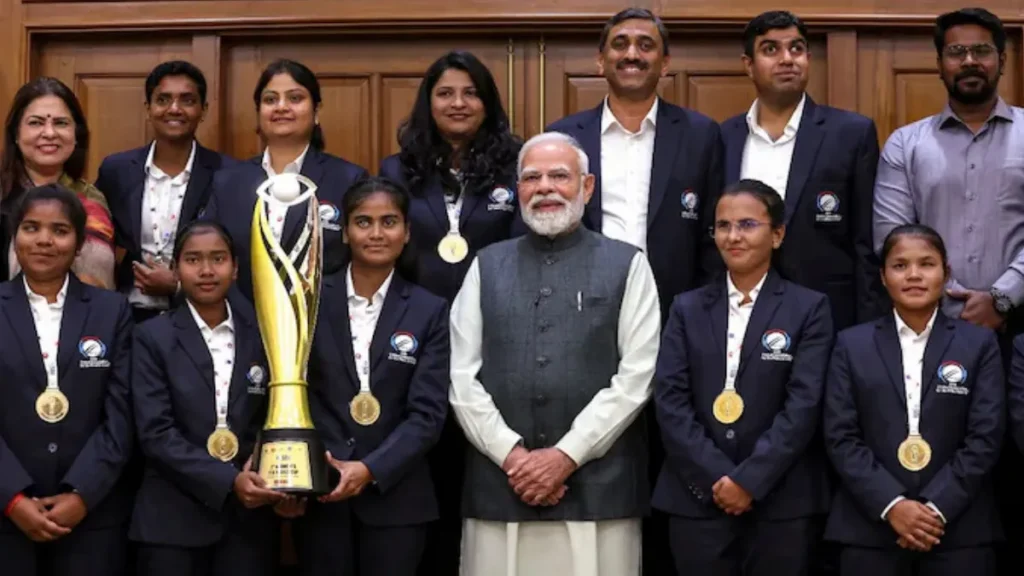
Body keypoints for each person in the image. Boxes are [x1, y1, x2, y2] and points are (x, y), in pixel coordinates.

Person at [545, 12, 722, 571]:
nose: (632, 53)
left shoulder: (700, 134)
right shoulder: (564, 135)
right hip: (584, 324)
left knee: (674, 458)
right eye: (619, 44)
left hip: (678, 321)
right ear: (600, 60)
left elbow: (715, 236)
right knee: (599, 453)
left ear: (665, 63)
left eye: (646, 45)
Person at [449, 132, 661, 576]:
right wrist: (513, 457)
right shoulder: (486, 265)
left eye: (560, 176)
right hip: (500, 482)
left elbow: (637, 376)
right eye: (532, 178)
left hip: (599, 488)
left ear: (586, 187)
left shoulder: (629, 264)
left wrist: (565, 456)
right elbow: (460, 377)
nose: (545, 187)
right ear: (518, 190)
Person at [377, 50, 522, 576]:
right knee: (424, 472)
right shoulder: (398, 168)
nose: (458, 103)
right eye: (445, 93)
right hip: (415, 341)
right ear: (428, 102)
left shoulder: (518, 163)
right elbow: (384, 245)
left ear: (487, 102)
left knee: (483, 471)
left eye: (470, 92)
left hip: (497, 341)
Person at [652, 178, 834, 575]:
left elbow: (804, 405)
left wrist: (750, 480)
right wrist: (717, 476)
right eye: (723, 226)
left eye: (748, 225)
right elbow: (670, 400)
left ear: (778, 234)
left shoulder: (809, 309)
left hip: (781, 500)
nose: (733, 236)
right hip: (697, 498)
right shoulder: (686, 307)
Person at [290, 177, 450, 576]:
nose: (376, 233)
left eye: (389, 222)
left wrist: (371, 468)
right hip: (321, 487)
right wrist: (326, 463)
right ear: (344, 231)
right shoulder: (307, 300)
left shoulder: (430, 310)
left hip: (398, 497)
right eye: (363, 222)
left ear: (407, 231)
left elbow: (427, 415)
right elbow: (296, 394)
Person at [823, 224, 1005, 575]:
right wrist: (893, 506)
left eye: (927, 264)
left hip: (959, 529)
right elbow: (840, 436)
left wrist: (935, 509)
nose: (914, 275)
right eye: (900, 265)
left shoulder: (978, 345)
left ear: (946, 273)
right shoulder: (851, 344)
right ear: (883, 276)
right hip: (871, 528)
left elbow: (986, 436)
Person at [128, 220, 284, 576]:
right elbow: (155, 433)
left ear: (236, 268)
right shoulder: (151, 337)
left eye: (218, 258)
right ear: (176, 269)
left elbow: (273, 418)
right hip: (172, 518)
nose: (207, 270)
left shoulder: (265, 334)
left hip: (249, 520)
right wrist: (228, 481)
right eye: (193, 260)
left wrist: (269, 472)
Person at [0, 184, 134, 576]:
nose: (44, 240)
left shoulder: (113, 311)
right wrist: (12, 498)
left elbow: (123, 415)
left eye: (59, 230)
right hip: (6, 515)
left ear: (79, 244)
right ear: (15, 238)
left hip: (92, 516)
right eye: (31, 228)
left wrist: (82, 493)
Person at [721, 11, 883, 331]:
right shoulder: (724, 137)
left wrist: (869, 334)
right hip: (740, 312)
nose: (787, 59)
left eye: (796, 49)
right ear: (748, 65)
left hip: (828, 313)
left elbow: (866, 242)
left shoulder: (851, 133)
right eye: (771, 50)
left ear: (808, 58)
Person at [203, 58, 369, 302]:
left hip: (322, 327)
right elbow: (212, 254)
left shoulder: (348, 179)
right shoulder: (228, 182)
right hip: (242, 325)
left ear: (316, 112)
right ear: (259, 112)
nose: (281, 107)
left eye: (295, 98)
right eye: (270, 100)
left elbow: (361, 264)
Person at [97, 61, 237, 324]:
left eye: (187, 100)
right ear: (148, 108)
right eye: (163, 99)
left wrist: (177, 285)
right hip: (128, 318)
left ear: (203, 110)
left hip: (202, 317)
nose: (174, 109)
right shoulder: (117, 171)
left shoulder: (227, 174)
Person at [0, 78, 115, 289]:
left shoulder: (93, 200)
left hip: (90, 318)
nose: (50, 133)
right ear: (16, 134)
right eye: (36, 123)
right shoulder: (3, 196)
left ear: (76, 134)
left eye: (61, 123)